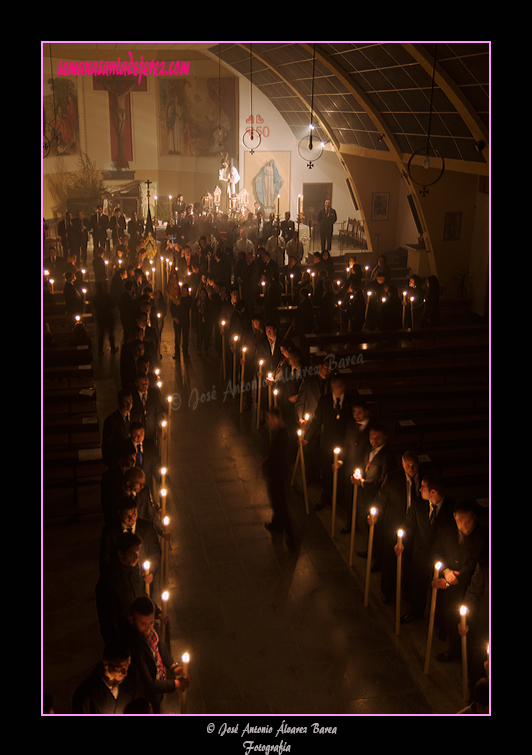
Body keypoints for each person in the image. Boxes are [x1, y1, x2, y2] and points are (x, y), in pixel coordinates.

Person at [431, 501, 489, 663]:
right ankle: (454, 648)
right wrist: (446, 571)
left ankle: (466, 654)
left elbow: (473, 564)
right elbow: (437, 551)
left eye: (469, 520)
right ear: (454, 516)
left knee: (465, 623)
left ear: (474, 518)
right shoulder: (446, 529)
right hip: (448, 584)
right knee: (450, 617)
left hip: (470, 587)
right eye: (461, 519)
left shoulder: (481, 537)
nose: (465, 524)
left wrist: (450, 581)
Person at [398, 473, 455, 623]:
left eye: (423, 487)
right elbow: (408, 525)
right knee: (419, 586)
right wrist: (400, 541)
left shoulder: (451, 509)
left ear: (433, 492)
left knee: (440, 593)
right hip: (421, 554)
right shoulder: (418, 504)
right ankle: (416, 613)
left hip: (441, 558)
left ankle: (438, 622)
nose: (419, 490)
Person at [368, 451, 422, 603]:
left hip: (415, 529)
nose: (411, 470)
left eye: (414, 466)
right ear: (402, 465)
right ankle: (387, 591)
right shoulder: (392, 479)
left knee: (410, 561)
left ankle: (407, 590)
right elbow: (381, 498)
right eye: (408, 466)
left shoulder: (424, 480)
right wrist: (375, 513)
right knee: (390, 561)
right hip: (394, 526)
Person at [125, 596, 190, 714]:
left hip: (159, 681)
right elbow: (148, 683)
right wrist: (174, 685)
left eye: (151, 622)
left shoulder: (151, 627)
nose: (148, 627)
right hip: (147, 693)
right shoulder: (135, 647)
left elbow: (160, 647)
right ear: (131, 619)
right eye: (143, 623)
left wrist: (173, 667)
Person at [302, 373, 354, 511]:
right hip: (327, 444)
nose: (336, 389)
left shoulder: (350, 401)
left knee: (342, 473)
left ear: (344, 387)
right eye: (334, 387)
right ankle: (325, 497)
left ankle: (340, 499)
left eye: (339, 386)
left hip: (343, 443)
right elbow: (317, 421)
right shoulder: (324, 401)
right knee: (326, 472)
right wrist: (307, 437)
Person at [352, 424, 396, 566]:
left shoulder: (388, 456)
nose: (373, 440)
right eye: (371, 437)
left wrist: (363, 482)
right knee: (368, 525)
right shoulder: (370, 450)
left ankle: (378, 557)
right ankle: (370, 550)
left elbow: (383, 481)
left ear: (385, 437)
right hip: (367, 495)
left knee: (378, 529)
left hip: (378, 498)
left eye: (377, 438)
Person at [95, 531, 147, 645]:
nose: (137, 557)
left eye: (138, 552)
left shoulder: (133, 569)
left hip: (140, 633)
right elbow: (108, 620)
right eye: (132, 553)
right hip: (124, 639)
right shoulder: (108, 581)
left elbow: (142, 594)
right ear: (120, 554)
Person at [71, 639, 143, 714]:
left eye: (127, 666)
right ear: (106, 664)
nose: (125, 673)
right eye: (119, 668)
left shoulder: (132, 677)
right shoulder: (85, 695)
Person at [262, 408, 295, 551]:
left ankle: (291, 536)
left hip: (278, 476)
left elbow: (278, 458)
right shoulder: (280, 434)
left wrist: (266, 466)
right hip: (276, 474)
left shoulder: (282, 436)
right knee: (275, 501)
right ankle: (276, 524)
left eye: (270, 418)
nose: (268, 422)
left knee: (280, 505)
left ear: (278, 418)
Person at [101, 390, 133, 467]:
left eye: (130, 402)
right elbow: (107, 445)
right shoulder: (111, 421)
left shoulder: (135, 417)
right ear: (119, 402)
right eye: (125, 402)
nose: (129, 405)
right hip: (118, 461)